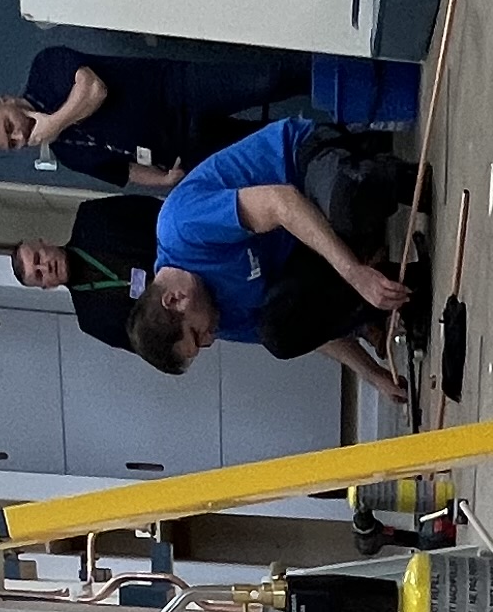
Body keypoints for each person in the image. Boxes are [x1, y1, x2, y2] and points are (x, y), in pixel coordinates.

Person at [128, 118, 413, 401]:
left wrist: (353, 273)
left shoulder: (182, 228)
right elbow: (308, 327)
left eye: (195, 335)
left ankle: (403, 180)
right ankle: (406, 285)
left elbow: (282, 202)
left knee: (346, 200)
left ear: (175, 300)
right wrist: (373, 375)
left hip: (299, 165)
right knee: (278, 335)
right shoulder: (213, 315)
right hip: (301, 249)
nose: (209, 339)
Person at [0, 44, 305, 193]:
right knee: (268, 147)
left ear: (7, 100)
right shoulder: (67, 153)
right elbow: (121, 170)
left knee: (267, 82)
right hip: (181, 146)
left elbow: (92, 88)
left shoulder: (43, 69)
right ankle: (338, 137)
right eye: (11, 144)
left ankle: (338, 72)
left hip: (175, 91)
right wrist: (163, 181)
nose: (19, 137)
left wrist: (54, 123)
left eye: (9, 126)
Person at [10, 192, 165, 355]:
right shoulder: (93, 321)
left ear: (46, 242)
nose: (45, 267)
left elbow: (158, 211)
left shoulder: (92, 216)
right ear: (47, 286)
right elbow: (153, 348)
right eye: (39, 275)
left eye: (38, 258)